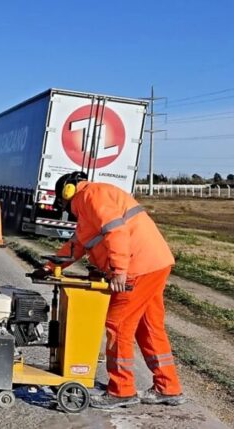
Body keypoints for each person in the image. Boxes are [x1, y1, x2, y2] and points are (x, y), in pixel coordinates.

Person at [36, 171, 184, 409]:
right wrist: (48, 267)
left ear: (68, 191)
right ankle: (168, 387)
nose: (68, 210)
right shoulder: (92, 203)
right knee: (149, 327)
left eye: (64, 204)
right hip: (154, 263)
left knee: (118, 324)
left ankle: (122, 390)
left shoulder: (90, 196)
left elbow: (116, 231)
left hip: (137, 267)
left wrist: (118, 269)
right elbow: (78, 245)